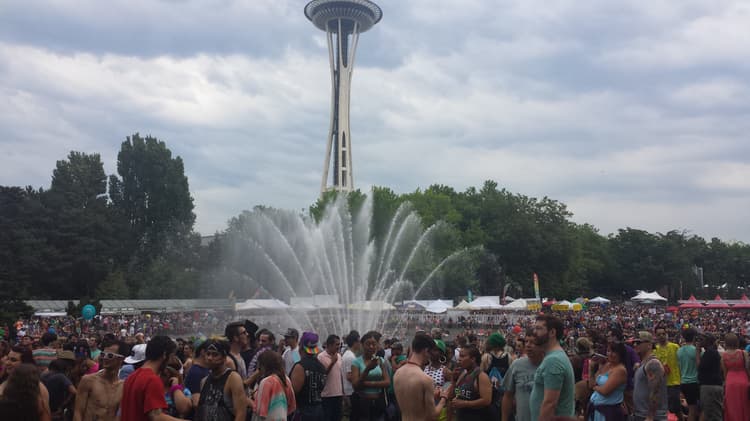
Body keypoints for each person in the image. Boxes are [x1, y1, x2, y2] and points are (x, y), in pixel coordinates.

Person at [120, 335, 184, 421]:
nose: (170, 361)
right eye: (171, 356)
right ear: (164, 354)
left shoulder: (132, 377)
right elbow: (156, 417)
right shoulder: (152, 380)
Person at [393, 333, 449, 421]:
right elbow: (432, 416)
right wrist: (443, 399)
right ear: (426, 351)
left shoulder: (398, 373)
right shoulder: (425, 379)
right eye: (430, 353)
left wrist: (432, 395)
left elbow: (412, 401)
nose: (429, 357)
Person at [529, 314, 575, 421]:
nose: (534, 332)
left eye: (539, 328)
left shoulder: (553, 360)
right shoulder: (552, 357)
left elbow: (550, 404)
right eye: (535, 328)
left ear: (552, 333)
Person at [194, 339, 247, 421]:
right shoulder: (204, 381)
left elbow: (241, 413)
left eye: (215, 355)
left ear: (224, 358)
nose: (210, 358)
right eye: (208, 354)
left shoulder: (233, 379)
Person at [74, 340, 128, 421]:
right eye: (103, 354)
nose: (105, 358)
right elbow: (78, 412)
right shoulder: (88, 380)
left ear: (121, 359)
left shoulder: (123, 386)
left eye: (110, 356)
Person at [501, 332, 543, 421]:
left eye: (532, 342)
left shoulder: (551, 365)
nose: (528, 345)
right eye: (526, 341)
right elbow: (508, 396)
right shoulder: (517, 365)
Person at [351, 331, 391, 421]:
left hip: (378, 403)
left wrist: (367, 383)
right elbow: (355, 386)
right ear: (362, 345)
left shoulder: (380, 361)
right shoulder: (356, 362)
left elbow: (387, 382)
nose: (371, 347)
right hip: (362, 404)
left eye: (374, 344)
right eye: (368, 344)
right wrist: (367, 369)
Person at [449, 344, 492, 420]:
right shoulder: (463, 374)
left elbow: (486, 400)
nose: (459, 359)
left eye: (462, 356)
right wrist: (453, 380)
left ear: (473, 359)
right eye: (459, 356)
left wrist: (465, 403)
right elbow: (456, 394)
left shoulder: (481, 376)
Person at [291, 331, 327, 420]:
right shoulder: (321, 367)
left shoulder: (300, 366)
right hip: (319, 409)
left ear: (301, 347)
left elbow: (294, 390)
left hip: (304, 411)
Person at [587, 341, 627, 421]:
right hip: (595, 409)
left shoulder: (620, 370)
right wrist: (591, 368)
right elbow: (591, 383)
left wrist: (595, 386)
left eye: (614, 351)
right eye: (608, 351)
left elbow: (605, 391)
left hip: (609, 412)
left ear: (620, 354)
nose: (610, 354)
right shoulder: (607, 365)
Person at [632, 331, 667, 421]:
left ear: (649, 345)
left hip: (652, 417)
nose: (635, 345)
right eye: (634, 342)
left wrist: (650, 416)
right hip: (640, 414)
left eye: (639, 342)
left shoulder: (653, 363)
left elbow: (655, 392)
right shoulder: (643, 364)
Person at [252, 350, 296, 421]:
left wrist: (250, 402)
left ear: (264, 366)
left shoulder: (266, 382)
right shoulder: (286, 380)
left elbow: (260, 412)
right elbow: (292, 407)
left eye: (260, 368)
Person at [480, 332, 512, 420]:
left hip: (489, 392)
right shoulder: (509, 357)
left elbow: (481, 373)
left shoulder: (486, 357)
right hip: (503, 392)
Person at [653, 326, 681, 420]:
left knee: (676, 408)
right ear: (655, 336)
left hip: (674, 382)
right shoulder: (654, 350)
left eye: (663, 334)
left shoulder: (675, 347)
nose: (661, 336)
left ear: (667, 334)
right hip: (661, 384)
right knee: (664, 410)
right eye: (659, 334)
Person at [720, 333, 750, 421]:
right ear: (736, 341)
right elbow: (747, 368)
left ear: (726, 342)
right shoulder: (743, 353)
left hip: (730, 382)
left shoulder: (723, 356)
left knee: (732, 406)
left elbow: (725, 373)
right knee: (745, 405)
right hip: (744, 381)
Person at [42, 353, 77, 421]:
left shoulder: (43, 375)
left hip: (45, 408)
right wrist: (64, 405)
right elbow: (74, 392)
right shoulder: (61, 376)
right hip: (56, 410)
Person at [696, 334, 723, 421]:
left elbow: (699, 366)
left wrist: (697, 352)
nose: (699, 341)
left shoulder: (710, 352)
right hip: (712, 386)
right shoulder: (711, 352)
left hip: (710, 386)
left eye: (701, 339)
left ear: (707, 341)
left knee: (713, 415)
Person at [318, 334, 344, 421]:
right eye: (337, 344)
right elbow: (322, 375)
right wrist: (332, 363)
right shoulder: (321, 357)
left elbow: (340, 375)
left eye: (339, 344)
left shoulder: (339, 356)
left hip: (338, 394)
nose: (339, 346)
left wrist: (343, 392)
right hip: (327, 395)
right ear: (329, 345)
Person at [676, 328, 699, 421]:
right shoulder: (696, 350)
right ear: (694, 337)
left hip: (683, 382)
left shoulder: (679, 351)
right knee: (692, 411)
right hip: (694, 382)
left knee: (691, 409)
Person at [341, 330, 360, 421]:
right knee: (354, 415)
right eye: (359, 341)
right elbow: (349, 376)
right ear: (355, 342)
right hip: (351, 391)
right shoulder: (350, 357)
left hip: (349, 391)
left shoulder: (349, 355)